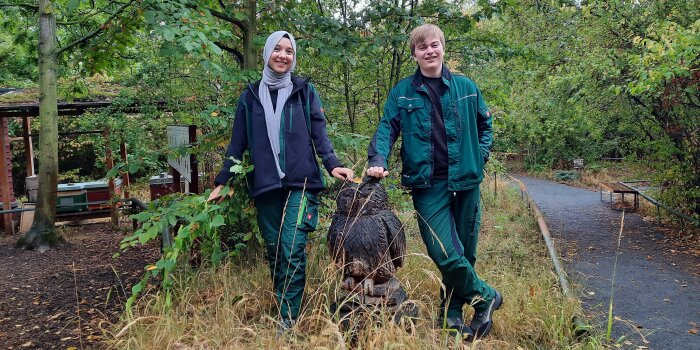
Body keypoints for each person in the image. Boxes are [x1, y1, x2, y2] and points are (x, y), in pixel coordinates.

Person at [208, 30, 353, 334]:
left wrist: (333, 164)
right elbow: (237, 145)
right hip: (266, 185)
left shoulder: (304, 91)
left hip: (302, 183)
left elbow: (319, 134)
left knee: (291, 246)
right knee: (274, 250)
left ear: (294, 56)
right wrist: (224, 180)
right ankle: (285, 304)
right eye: (278, 49)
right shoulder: (249, 97)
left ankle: (288, 318)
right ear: (267, 53)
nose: (283, 55)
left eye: (289, 51)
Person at [366, 24, 501, 341]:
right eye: (422, 47)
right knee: (443, 251)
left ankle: (452, 315)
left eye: (434, 44)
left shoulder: (466, 87)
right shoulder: (402, 92)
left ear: (443, 47)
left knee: (464, 253)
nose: (429, 51)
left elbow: (486, 125)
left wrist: (478, 157)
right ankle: (486, 297)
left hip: (466, 181)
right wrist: (377, 160)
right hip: (428, 185)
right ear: (414, 54)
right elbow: (387, 128)